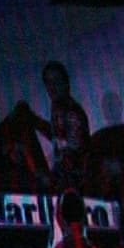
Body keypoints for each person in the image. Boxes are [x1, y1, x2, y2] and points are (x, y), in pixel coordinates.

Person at [35, 61, 90, 192]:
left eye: (56, 80)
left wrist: (52, 178)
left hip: (74, 184)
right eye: (48, 82)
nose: (52, 86)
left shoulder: (71, 112)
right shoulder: (57, 110)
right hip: (65, 180)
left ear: (65, 82)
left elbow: (74, 154)